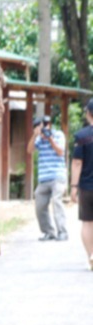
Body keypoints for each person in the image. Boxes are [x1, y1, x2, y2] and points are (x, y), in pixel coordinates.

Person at [27, 115, 68, 241]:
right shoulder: (38, 139)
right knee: (39, 205)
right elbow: (29, 150)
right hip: (43, 179)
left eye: (44, 127)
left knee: (57, 203)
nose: (43, 130)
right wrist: (35, 135)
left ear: (49, 125)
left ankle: (62, 232)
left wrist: (50, 139)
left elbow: (60, 152)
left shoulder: (59, 135)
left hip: (57, 176)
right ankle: (49, 232)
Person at [70, 98, 93, 270]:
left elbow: (77, 163)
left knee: (87, 222)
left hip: (87, 187)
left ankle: (91, 255)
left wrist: (73, 188)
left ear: (88, 114)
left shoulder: (82, 136)